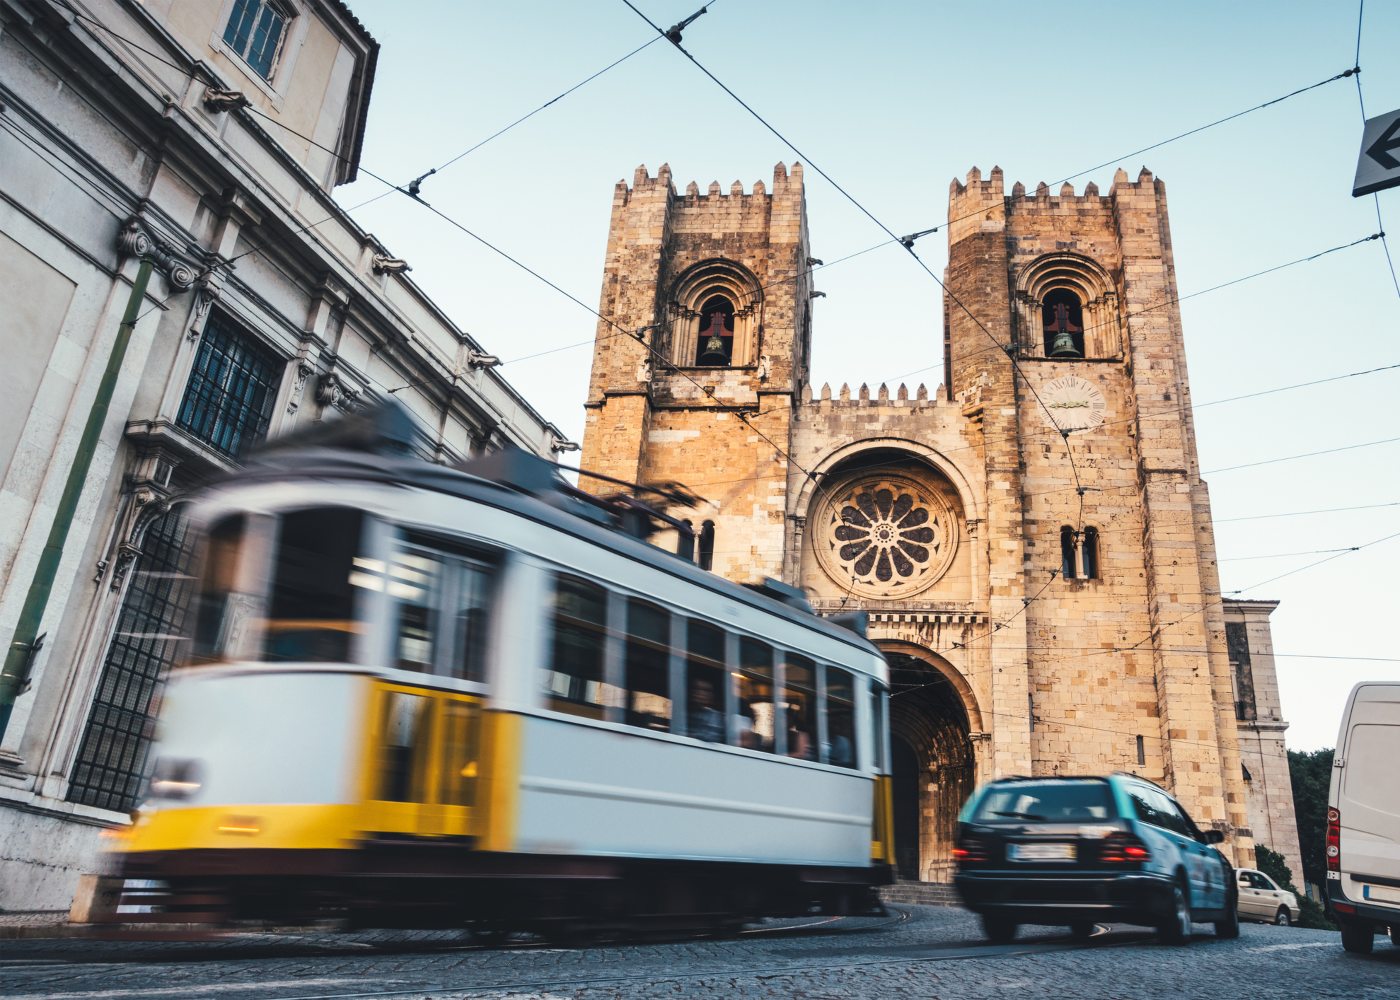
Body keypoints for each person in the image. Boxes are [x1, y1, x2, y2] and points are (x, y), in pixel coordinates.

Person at [687, 676, 725, 743]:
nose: (699, 693)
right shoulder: (689, 713)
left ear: (711, 695)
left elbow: (711, 736)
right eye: (697, 689)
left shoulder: (715, 716)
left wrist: (690, 736)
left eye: (705, 690)